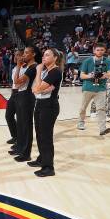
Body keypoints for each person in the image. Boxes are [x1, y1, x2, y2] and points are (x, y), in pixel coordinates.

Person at [30, 48, 64, 177]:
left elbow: (38, 88)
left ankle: (49, 167)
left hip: (49, 106)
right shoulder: (47, 72)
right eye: (43, 55)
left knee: (46, 137)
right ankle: (41, 159)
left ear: (55, 58)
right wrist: (39, 87)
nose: (44, 57)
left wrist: (38, 71)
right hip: (40, 104)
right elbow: (35, 89)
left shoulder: (55, 71)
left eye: (47, 55)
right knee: (39, 134)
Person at [77, 43, 110, 136]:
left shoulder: (108, 61)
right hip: (88, 88)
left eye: (102, 50)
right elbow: (81, 75)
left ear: (104, 51)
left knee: (101, 109)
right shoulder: (87, 61)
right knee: (83, 107)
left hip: (101, 88)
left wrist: (102, 75)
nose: (100, 51)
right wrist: (90, 75)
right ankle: (81, 122)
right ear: (94, 51)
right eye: (98, 50)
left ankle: (102, 128)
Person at [10, 45, 39, 161]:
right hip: (22, 95)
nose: (24, 55)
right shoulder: (28, 67)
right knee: (21, 124)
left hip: (27, 96)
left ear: (33, 54)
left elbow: (16, 82)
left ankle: (26, 153)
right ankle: (20, 148)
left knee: (26, 126)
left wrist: (17, 66)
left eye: (27, 53)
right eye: (24, 53)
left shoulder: (33, 67)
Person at [4, 50, 24, 147]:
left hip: (21, 94)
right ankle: (15, 136)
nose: (16, 57)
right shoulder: (14, 68)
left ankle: (20, 139)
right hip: (14, 93)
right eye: (15, 55)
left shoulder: (25, 68)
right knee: (8, 115)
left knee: (20, 119)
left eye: (18, 55)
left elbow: (19, 83)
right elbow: (14, 83)